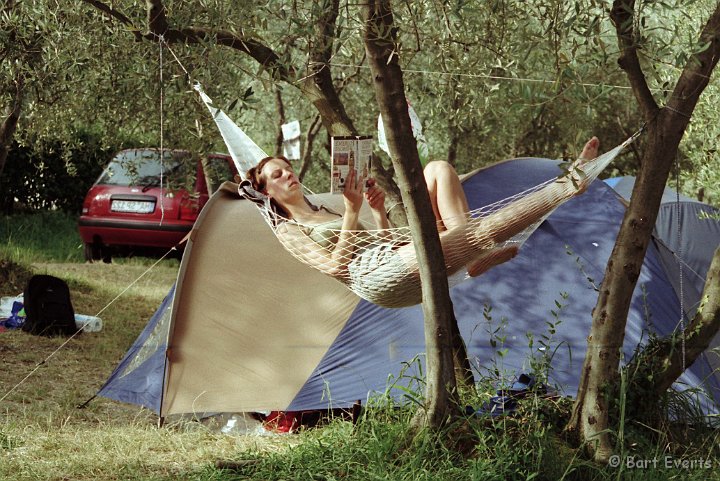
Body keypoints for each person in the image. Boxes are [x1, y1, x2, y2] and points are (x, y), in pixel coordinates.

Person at [245, 137, 600, 306]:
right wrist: (353, 212)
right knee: (480, 233)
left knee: (438, 169)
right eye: (279, 175)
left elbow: (380, 243)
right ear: (268, 192)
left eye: (289, 169)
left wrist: (378, 212)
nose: (289, 175)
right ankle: (567, 186)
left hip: (392, 256)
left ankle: (472, 255)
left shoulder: (327, 212)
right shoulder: (289, 230)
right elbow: (337, 268)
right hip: (375, 280)